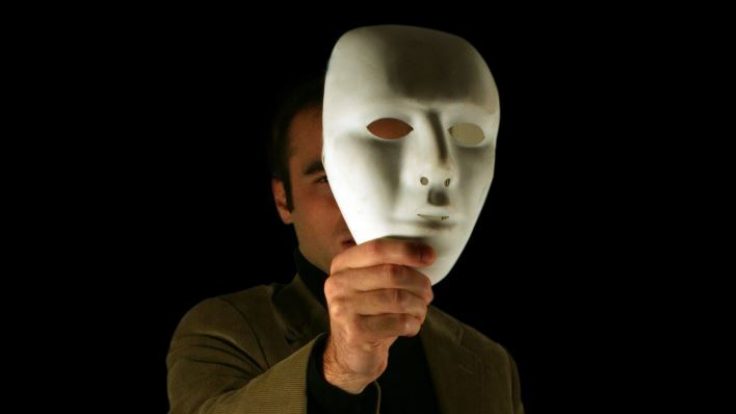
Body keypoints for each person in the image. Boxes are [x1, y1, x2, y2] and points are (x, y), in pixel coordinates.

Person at [167, 26, 524, 414]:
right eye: (325, 178)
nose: (436, 169)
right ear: (283, 199)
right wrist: (336, 370)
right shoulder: (224, 331)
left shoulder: (489, 363)